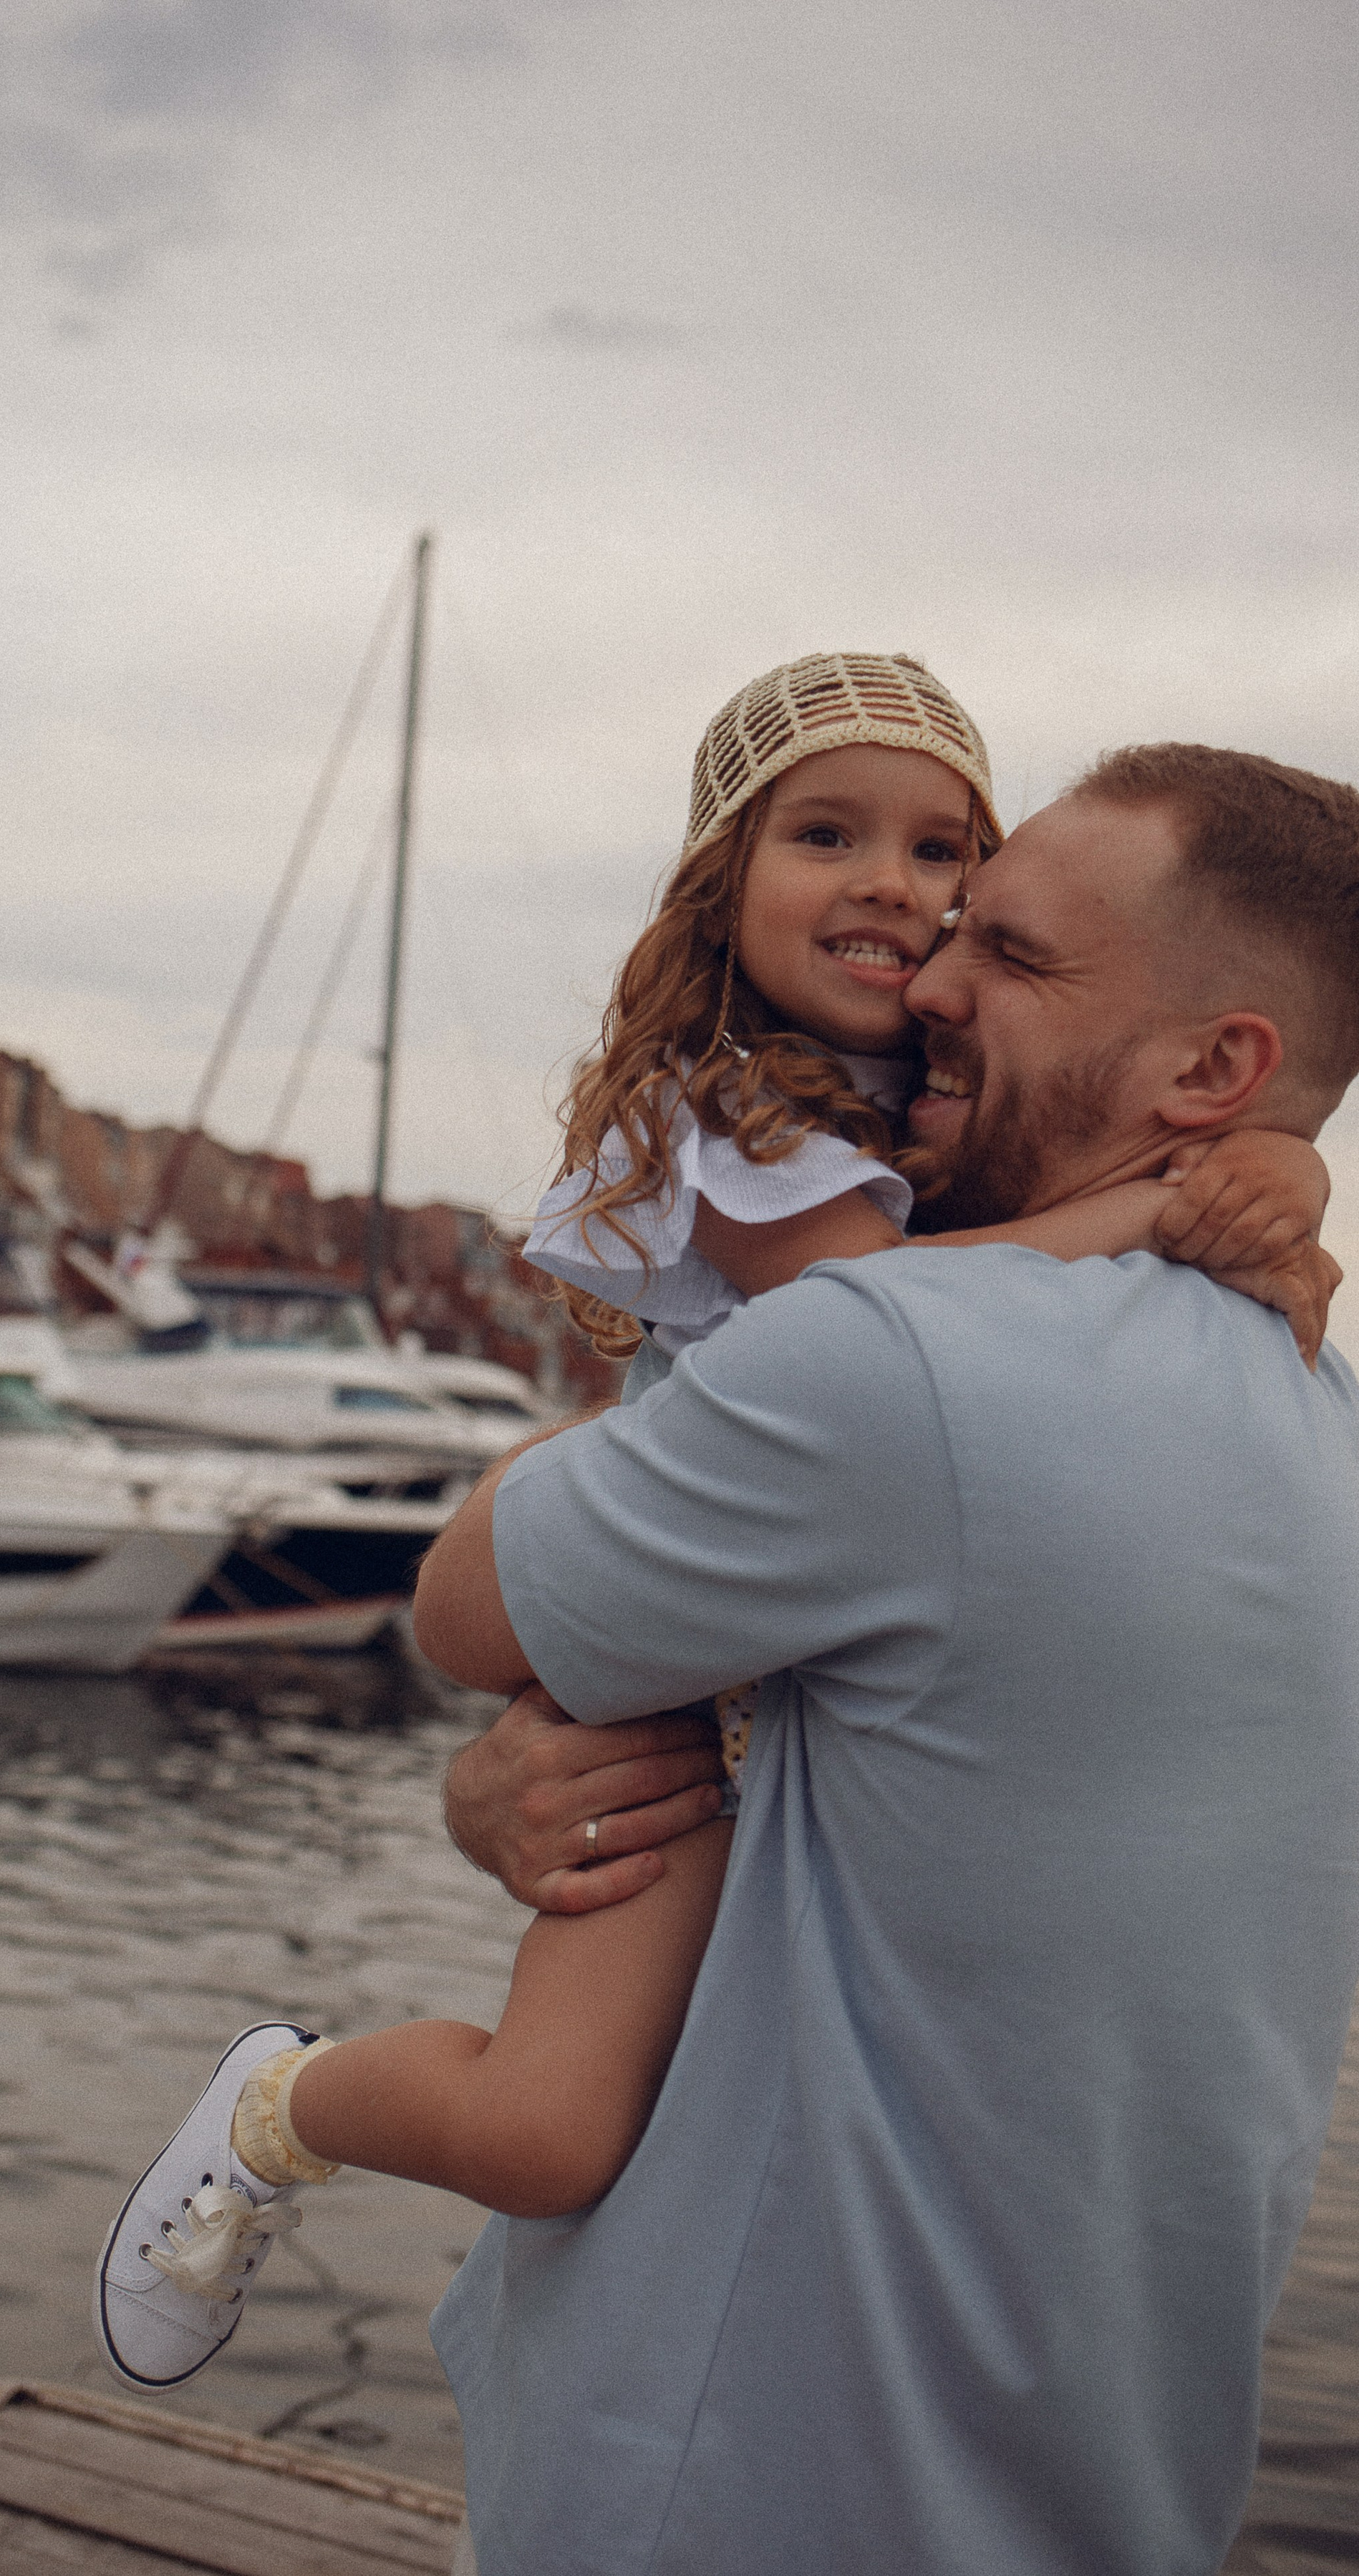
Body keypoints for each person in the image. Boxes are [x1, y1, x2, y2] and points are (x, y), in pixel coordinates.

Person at [92, 667, 1335, 2403]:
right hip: (683, 1702)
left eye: (956, 882)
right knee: (546, 2127)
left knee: (555, 2122)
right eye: (824, 839)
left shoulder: (918, 1126)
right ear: (719, 884)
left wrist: (1265, 1168)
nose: (909, 915)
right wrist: (1176, 1191)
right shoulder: (746, 1114)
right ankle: (275, 2108)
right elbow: (869, 1326)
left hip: (713, 1692)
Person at [408, 738, 1359, 2575]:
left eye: (1005, 952)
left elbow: (463, 1607)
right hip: (1104, 2491)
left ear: (1210, 1067)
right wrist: (522, 1786)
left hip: (738, 2483)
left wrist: (499, 1765)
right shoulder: (1325, 1431)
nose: (923, 974)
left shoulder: (897, 1364)